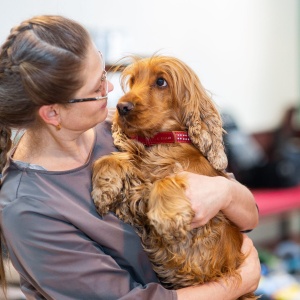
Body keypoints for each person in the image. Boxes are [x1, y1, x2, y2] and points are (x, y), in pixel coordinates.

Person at [0, 15, 260, 300]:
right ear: (52, 113)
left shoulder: (122, 129)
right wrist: (239, 282)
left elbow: (248, 216)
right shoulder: (27, 209)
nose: (113, 91)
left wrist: (224, 192)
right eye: (97, 87)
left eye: (104, 74)